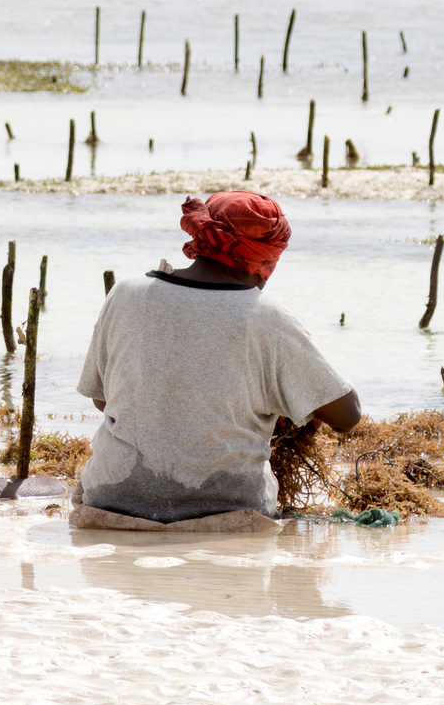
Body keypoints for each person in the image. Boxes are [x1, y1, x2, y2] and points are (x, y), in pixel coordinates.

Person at [76, 191, 361, 523]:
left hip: (114, 499)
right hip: (229, 509)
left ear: (202, 239)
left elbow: (104, 401)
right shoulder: (267, 318)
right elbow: (347, 415)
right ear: (265, 258)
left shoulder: (126, 294)